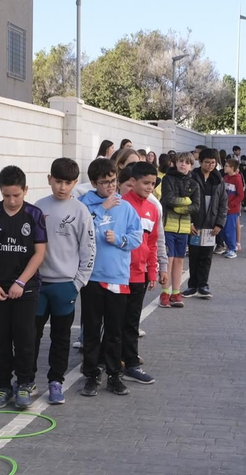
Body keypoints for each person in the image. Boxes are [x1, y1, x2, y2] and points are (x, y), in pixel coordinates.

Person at [0, 166, 50, 411]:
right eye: (7, 195)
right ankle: (4, 385)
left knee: (25, 337)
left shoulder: (34, 215)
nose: (12, 200)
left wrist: (20, 282)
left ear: (25, 190)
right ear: (1, 191)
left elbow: (39, 253)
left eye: (16, 195)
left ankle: (25, 383)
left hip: (25, 290)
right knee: (0, 338)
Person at [34, 158, 96, 406]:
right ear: (49, 179)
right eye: (58, 181)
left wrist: (78, 282)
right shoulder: (38, 208)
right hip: (38, 286)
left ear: (74, 183)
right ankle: (26, 380)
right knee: (31, 335)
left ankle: (55, 381)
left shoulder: (81, 211)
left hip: (65, 287)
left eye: (68, 182)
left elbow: (88, 249)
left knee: (61, 338)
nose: (62, 187)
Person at [78, 158, 142, 397]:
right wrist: (102, 209)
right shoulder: (85, 205)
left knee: (114, 330)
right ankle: (92, 374)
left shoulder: (126, 207)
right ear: (94, 183)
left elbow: (137, 236)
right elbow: (81, 231)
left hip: (117, 277)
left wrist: (121, 240)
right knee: (92, 329)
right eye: (105, 183)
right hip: (92, 277)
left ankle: (114, 375)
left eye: (113, 181)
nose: (111, 187)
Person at [119, 161, 162, 385]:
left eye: (153, 184)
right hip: (118, 274)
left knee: (132, 321)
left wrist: (152, 271)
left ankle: (131, 363)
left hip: (140, 275)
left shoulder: (153, 209)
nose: (149, 188)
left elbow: (153, 243)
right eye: (146, 183)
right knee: (117, 320)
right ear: (132, 182)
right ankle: (113, 361)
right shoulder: (120, 205)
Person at [183, 148, 227, 299]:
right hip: (195, 223)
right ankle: (192, 285)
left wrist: (219, 224)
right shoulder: (192, 177)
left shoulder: (219, 180)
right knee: (194, 255)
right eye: (207, 162)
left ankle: (203, 285)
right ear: (200, 162)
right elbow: (185, 200)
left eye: (213, 163)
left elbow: (223, 203)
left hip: (211, 225)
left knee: (207, 256)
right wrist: (188, 222)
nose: (210, 165)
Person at [160, 151, 200, 307]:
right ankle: (165, 292)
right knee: (168, 260)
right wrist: (186, 201)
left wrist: (179, 208)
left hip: (184, 229)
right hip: (168, 226)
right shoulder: (167, 179)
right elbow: (168, 199)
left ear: (191, 165)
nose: (183, 164)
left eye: (187, 162)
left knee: (179, 260)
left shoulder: (194, 183)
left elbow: (196, 206)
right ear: (175, 163)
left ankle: (176, 292)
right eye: (180, 161)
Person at [218, 156, 245, 259]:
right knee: (223, 230)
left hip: (232, 210)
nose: (224, 167)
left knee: (229, 230)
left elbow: (241, 195)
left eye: (227, 166)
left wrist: (231, 205)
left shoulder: (237, 179)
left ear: (233, 167)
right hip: (224, 208)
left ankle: (233, 248)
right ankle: (229, 247)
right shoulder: (225, 178)